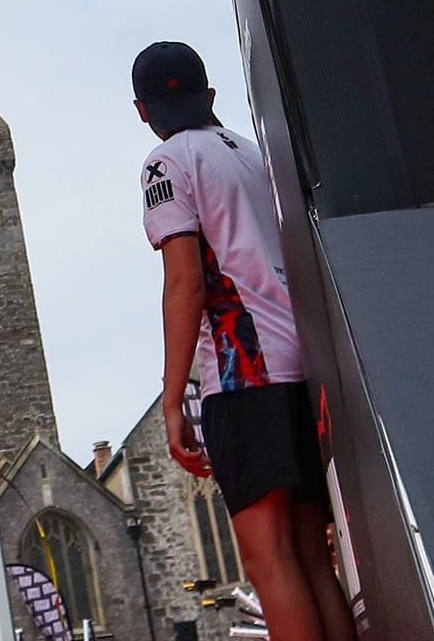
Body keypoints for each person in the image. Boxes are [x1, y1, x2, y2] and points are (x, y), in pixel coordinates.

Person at [131, 41, 355, 641]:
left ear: (140, 110)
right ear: (210, 96)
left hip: (241, 371)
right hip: (301, 361)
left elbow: (185, 283)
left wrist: (173, 398)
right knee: (312, 557)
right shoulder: (254, 154)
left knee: (268, 561)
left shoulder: (166, 163)